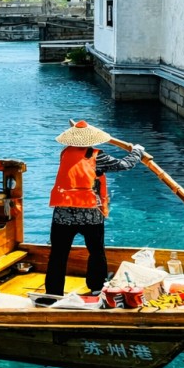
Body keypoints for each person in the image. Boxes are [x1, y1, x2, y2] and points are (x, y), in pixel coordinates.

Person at [44, 120, 144, 296]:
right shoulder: (98, 156)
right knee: (96, 252)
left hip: (63, 212)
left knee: (58, 254)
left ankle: (53, 292)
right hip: (89, 212)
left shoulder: (65, 153)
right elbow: (124, 164)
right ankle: (96, 287)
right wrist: (137, 151)